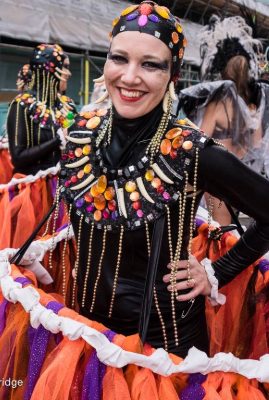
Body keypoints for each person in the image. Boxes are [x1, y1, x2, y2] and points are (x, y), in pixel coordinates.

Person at [0, 3, 269, 398]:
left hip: (163, 356)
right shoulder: (81, 133)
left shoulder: (192, 151)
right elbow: (95, 210)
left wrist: (215, 272)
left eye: (151, 65)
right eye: (119, 58)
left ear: (173, 76)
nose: (129, 77)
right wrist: (44, 253)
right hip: (86, 338)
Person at [178, 15, 269, 224]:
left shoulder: (218, 103)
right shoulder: (254, 106)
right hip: (242, 175)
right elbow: (257, 144)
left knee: (218, 231)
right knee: (229, 227)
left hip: (218, 176)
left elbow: (199, 139)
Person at [0, 44, 76, 249]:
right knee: (31, 249)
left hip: (64, 190)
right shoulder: (22, 105)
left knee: (62, 250)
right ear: (50, 70)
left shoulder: (67, 105)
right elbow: (19, 157)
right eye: (64, 66)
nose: (68, 73)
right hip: (32, 194)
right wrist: (56, 141)